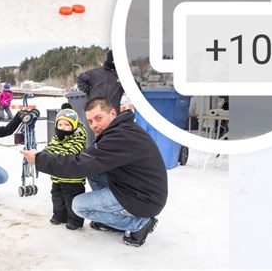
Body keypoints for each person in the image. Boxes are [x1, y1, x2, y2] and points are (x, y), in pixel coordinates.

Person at [22, 97, 168, 247]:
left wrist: (40, 159)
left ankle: (138, 223)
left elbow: (79, 164)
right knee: (94, 171)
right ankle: (112, 220)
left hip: (143, 199)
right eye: (90, 121)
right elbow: (88, 159)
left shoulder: (120, 137)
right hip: (137, 188)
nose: (94, 125)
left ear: (112, 113)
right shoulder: (122, 129)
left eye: (99, 118)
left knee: (78, 206)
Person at [45, 109, 88, 230]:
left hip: (73, 179)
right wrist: (43, 155)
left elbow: (71, 153)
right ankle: (59, 215)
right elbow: (50, 148)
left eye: (67, 124)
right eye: (60, 124)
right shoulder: (56, 138)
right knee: (57, 196)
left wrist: (54, 157)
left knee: (71, 199)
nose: (62, 127)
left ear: (73, 126)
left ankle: (75, 220)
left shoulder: (78, 138)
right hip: (57, 177)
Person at [77, 50, 124, 147]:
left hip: (113, 115)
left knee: (115, 141)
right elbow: (81, 79)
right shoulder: (95, 73)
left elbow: (133, 87)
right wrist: (90, 93)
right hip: (97, 113)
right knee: (100, 141)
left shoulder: (122, 75)